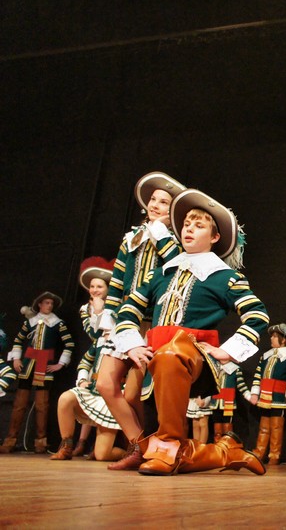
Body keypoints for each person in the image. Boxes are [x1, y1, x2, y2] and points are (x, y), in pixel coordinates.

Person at [111, 187, 269, 475]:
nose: (189, 229)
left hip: (192, 357)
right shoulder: (161, 273)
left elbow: (257, 315)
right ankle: (223, 452)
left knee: (171, 355)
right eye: (186, 224)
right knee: (153, 432)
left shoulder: (225, 276)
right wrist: (132, 344)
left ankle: (168, 447)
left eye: (199, 225)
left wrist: (228, 351)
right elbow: (129, 309)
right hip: (154, 358)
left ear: (215, 237)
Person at [95, 172, 185, 470]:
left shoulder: (175, 241)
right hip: (125, 320)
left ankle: (149, 449)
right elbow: (118, 279)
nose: (155, 205)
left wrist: (161, 234)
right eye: (153, 200)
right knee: (105, 384)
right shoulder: (131, 238)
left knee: (134, 393)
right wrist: (109, 316)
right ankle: (140, 445)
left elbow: (174, 267)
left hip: (150, 323)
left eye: (164, 202)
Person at [51, 257, 126, 462]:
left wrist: (101, 311)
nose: (94, 290)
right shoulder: (95, 331)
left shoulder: (123, 338)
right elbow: (90, 347)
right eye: (92, 286)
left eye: (99, 286)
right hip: (93, 389)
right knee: (66, 398)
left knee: (102, 455)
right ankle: (66, 445)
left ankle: (133, 453)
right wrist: (83, 379)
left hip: (113, 395)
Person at [0, 291, 74, 454]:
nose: (49, 306)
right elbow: (18, 340)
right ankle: (10, 440)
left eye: (51, 303)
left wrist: (60, 364)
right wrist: (16, 359)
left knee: (42, 404)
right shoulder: (30, 322)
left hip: (45, 364)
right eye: (46, 303)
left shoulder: (58, 323)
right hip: (28, 364)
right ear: (39, 304)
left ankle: (41, 442)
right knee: (19, 404)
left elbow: (69, 344)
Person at [249, 324, 286, 465]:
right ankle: (259, 452)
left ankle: (274, 454)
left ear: (283, 340)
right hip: (265, 394)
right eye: (271, 336)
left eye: (274, 336)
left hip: (279, 395)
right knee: (264, 425)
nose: (271, 338)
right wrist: (255, 393)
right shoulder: (266, 356)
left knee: (276, 426)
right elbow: (258, 374)